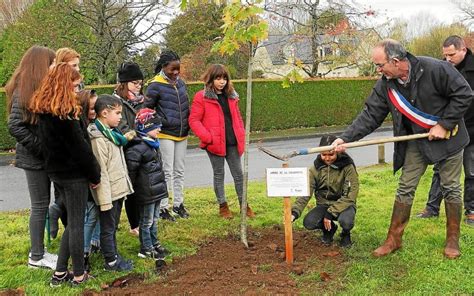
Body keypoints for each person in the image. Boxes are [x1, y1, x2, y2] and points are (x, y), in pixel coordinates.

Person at [332, 39, 473, 259]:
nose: (378, 70)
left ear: (396, 61)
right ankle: (394, 239)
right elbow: (370, 115)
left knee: (451, 188)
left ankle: (452, 240)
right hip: (417, 142)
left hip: (450, 139)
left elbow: (464, 94)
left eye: (380, 65)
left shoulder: (436, 69)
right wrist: (345, 138)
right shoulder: (386, 84)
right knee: (405, 187)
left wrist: (444, 123)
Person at [29, 63, 100, 286]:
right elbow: (81, 149)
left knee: (73, 224)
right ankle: (79, 275)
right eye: (76, 85)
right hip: (73, 175)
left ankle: (60, 273)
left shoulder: (44, 109)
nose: (78, 89)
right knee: (77, 223)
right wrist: (95, 175)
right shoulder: (67, 114)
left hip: (57, 174)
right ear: (64, 84)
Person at [6, 45, 58, 269]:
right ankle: (36, 256)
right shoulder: (22, 90)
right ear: (40, 65)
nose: (54, 66)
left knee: (46, 204)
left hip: (45, 157)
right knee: (40, 205)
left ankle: (42, 251)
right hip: (34, 158)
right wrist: (40, 147)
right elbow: (15, 126)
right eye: (51, 62)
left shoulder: (40, 87)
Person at [416, 35, 474, 227]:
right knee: (440, 170)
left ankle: (471, 211)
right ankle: (432, 208)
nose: (448, 59)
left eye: (452, 54)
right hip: (449, 128)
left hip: (472, 129)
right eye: (445, 55)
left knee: (471, 171)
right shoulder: (441, 68)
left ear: (463, 50)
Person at [189, 64, 255, 219]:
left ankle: (244, 205)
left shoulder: (232, 95)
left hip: (232, 141)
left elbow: (237, 117)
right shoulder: (202, 96)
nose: (222, 82)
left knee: (239, 175)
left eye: (224, 78)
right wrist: (207, 137)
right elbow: (194, 120)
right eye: (218, 78)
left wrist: (242, 134)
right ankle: (223, 206)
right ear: (211, 79)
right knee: (219, 174)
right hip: (214, 143)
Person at [88, 94, 134, 272]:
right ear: (104, 113)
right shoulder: (99, 139)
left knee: (113, 226)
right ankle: (111, 261)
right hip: (109, 193)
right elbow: (102, 172)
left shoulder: (113, 135)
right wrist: (105, 200)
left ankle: (113, 254)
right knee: (107, 228)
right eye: (118, 113)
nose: (121, 117)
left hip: (118, 189)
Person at [145, 50, 190, 221]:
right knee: (167, 171)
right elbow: (146, 110)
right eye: (172, 69)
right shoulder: (155, 85)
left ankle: (178, 204)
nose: (176, 72)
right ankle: (163, 207)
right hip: (165, 133)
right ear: (163, 67)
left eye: (178, 68)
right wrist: (161, 121)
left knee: (179, 170)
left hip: (182, 133)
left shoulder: (181, 84)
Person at [291, 135, 358, 247]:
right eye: (324, 155)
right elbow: (306, 192)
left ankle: (346, 234)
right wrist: (294, 212)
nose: (327, 158)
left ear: (337, 152)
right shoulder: (314, 169)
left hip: (344, 204)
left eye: (331, 154)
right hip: (323, 204)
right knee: (309, 223)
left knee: (346, 222)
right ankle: (329, 230)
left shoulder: (348, 167)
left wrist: (330, 213)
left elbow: (351, 195)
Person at [126, 108, 170, 260]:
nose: (159, 129)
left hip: (156, 190)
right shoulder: (137, 148)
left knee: (155, 219)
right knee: (146, 221)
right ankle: (146, 248)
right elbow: (131, 172)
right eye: (155, 126)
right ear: (146, 127)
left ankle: (154, 243)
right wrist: (131, 191)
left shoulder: (153, 145)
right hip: (145, 192)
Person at [48, 47, 82, 236]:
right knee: (67, 195)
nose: (77, 69)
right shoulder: (58, 89)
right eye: (73, 65)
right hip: (66, 158)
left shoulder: (76, 84)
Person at [114, 62, 145, 236]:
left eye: (140, 83)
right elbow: (121, 127)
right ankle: (114, 224)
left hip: (140, 151)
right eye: (135, 83)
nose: (138, 87)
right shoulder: (116, 102)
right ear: (124, 84)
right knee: (124, 190)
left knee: (138, 190)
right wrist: (139, 136)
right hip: (125, 151)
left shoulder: (142, 101)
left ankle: (136, 223)